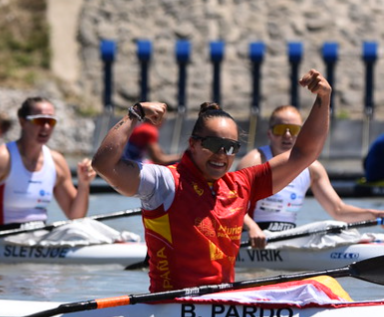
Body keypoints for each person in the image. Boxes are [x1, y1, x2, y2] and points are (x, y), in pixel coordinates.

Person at [92, 69, 332, 293]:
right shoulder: (164, 181)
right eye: (214, 145)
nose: (221, 155)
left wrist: (323, 98)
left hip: (218, 305)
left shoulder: (242, 184)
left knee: (322, 287)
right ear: (193, 144)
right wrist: (135, 114)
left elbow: (304, 154)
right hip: (169, 305)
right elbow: (105, 165)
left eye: (231, 148)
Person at [237, 105, 384, 249]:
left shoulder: (313, 168)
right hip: (251, 239)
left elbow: (338, 210)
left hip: (286, 238)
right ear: (269, 133)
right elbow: (231, 204)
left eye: (294, 130)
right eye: (280, 130)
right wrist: (252, 229)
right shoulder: (254, 161)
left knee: (336, 227)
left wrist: (375, 214)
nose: (287, 135)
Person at [0, 96, 97, 251]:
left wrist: (84, 185)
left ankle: (126, 242)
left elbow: (75, 216)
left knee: (88, 226)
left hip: (40, 237)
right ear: (22, 122)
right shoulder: (1, 158)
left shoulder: (56, 161)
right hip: (6, 239)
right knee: (77, 231)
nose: (46, 127)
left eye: (51, 121)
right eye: (40, 121)